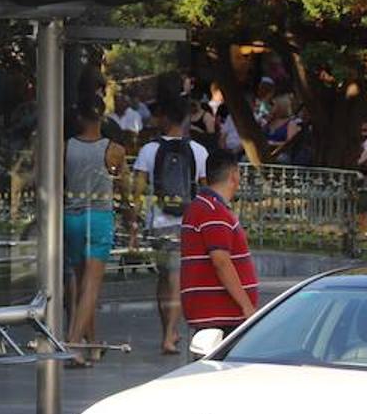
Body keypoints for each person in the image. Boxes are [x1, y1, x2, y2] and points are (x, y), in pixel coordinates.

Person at [132, 98, 210, 355]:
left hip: (158, 224)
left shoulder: (148, 151)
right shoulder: (198, 151)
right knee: (176, 278)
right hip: (185, 223)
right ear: (186, 121)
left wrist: (134, 224)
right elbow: (205, 189)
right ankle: (169, 334)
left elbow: (138, 191)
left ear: (164, 119)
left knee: (165, 278)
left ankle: (168, 330)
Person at [64, 101, 127, 368]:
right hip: (99, 217)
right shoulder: (113, 150)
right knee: (92, 286)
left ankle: (92, 344)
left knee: (80, 283)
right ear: (101, 117)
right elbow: (123, 186)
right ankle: (73, 343)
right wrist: (132, 219)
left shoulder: (66, 146)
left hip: (71, 217)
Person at [179, 151, 258, 342]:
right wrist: (246, 306)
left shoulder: (206, 207)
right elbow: (221, 261)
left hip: (218, 314)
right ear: (234, 175)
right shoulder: (213, 210)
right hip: (221, 314)